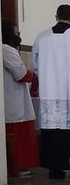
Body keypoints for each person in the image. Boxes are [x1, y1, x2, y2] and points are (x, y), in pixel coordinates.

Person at [31, 5, 70, 179]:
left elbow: (35, 65)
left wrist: (47, 80)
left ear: (56, 16)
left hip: (49, 94)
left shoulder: (41, 37)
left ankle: (54, 168)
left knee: (51, 130)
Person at [2, 20, 39, 176]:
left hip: (11, 98)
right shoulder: (7, 50)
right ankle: (19, 166)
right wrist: (33, 75)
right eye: (16, 32)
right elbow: (21, 74)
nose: (19, 35)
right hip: (14, 101)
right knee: (18, 137)